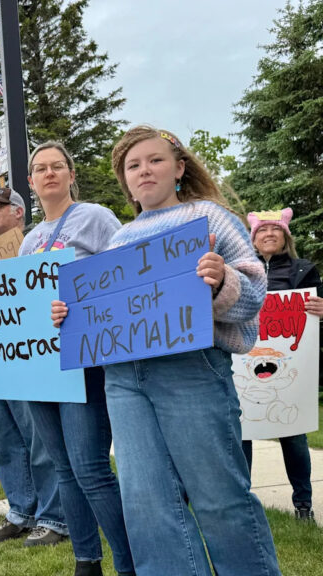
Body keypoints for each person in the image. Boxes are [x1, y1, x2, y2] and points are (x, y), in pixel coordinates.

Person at [53, 126, 281, 576]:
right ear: (126, 182)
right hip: (123, 380)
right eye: (133, 166)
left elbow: (255, 292)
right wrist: (71, 316)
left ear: (179, 168)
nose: (144, 171)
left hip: (190, 371)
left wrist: (222, 281)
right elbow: (105, 316)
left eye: (154, 160)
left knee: (219, 496)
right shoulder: (118, 241)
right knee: (146, 504)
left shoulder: (210, 219)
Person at [19, 142, 133, 576]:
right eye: (40, 169)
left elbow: (123, 277)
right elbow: (18, 308)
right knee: (63, 470)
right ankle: (87, 562)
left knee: (90, 470)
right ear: (30, 182)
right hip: (35, 369)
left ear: (70, 174)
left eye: (56, 167)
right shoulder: (29, 241)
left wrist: (78, 306)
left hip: (83, 362)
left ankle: (129, 562)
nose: (49, 174)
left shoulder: (96, 218)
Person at [0, 188, 70, 547]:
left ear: (18, 213)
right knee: (3, 439)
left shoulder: (35, 247)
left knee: (39, 440)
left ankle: (54, 516)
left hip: (31, 360)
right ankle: (21, 511)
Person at [242, 207, 323, 521]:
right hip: (245, 364)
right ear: (254, 239)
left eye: (275, 230)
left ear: (285, 237)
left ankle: (303, 505)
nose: (269, 235)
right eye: (262, 231)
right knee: (243, 433)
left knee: (294, 436)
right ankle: (244, 503)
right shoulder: (243, 271)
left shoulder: (304, 270)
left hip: (291, 368)